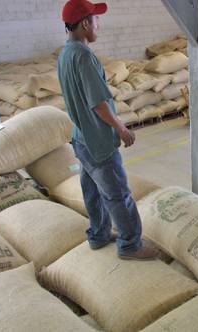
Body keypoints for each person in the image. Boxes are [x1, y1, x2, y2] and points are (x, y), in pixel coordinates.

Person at [58, 0, 158, 260]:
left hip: (81, 138)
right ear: (84, 24)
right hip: (98, 140)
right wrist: (122, 128)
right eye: (96, 20)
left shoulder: (65, 54)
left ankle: (99, 235)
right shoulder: (84, 56)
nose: (98, 25)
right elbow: (98, 103)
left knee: (92, 190)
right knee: (118, 194)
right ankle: (130, 245)